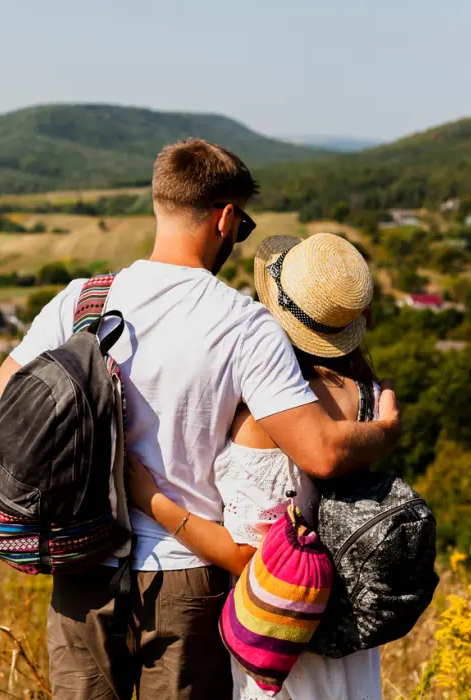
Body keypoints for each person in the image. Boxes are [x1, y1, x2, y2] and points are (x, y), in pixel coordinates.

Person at [0, 139, 402, 700]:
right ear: (225, 217)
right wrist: (386, 429)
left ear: (160, 203)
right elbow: (320, 452)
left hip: (82, 561)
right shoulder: (246, 325)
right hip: (188, 577)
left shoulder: (80, 301)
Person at [126, 232, 385, 699]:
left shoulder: (268, 419)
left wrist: (152, 499)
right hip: (346, 629)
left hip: (284, 633)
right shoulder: (370, 392)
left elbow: (248, 557)